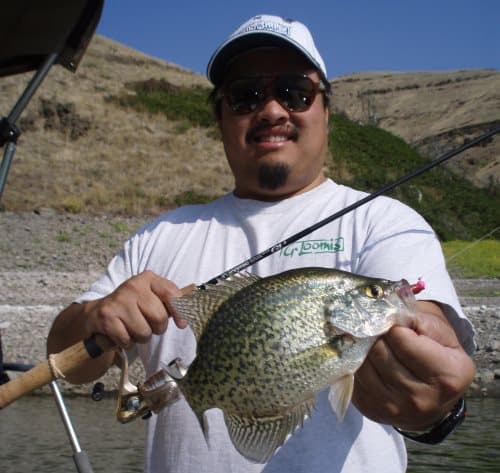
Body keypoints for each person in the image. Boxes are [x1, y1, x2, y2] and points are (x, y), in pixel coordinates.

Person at [47, 14, 475, 473]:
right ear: (220, 116)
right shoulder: (159, 236)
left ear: (326, 110)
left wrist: (432, 399)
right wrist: (96, 315)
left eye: (295, 92)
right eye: (246, 96)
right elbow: (66, 361)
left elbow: (428, 326)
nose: (272, 110)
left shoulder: (383, 221)